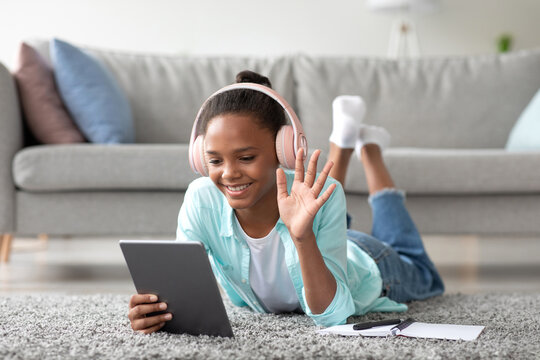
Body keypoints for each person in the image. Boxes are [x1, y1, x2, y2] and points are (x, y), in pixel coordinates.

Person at [128, 71, 444, 334]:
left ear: (284, 152)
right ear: (199, 158)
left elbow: (332, 317)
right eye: (214, 160)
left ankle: (371, 151)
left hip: (368, 263)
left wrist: (303, 236)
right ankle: (343, 143)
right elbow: (183, 298)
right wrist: (155, 311)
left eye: (246, 157)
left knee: (422, 270)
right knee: (317, 206)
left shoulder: (323, 195)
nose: (229, 173)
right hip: (326, 241)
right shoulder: (201, 198)